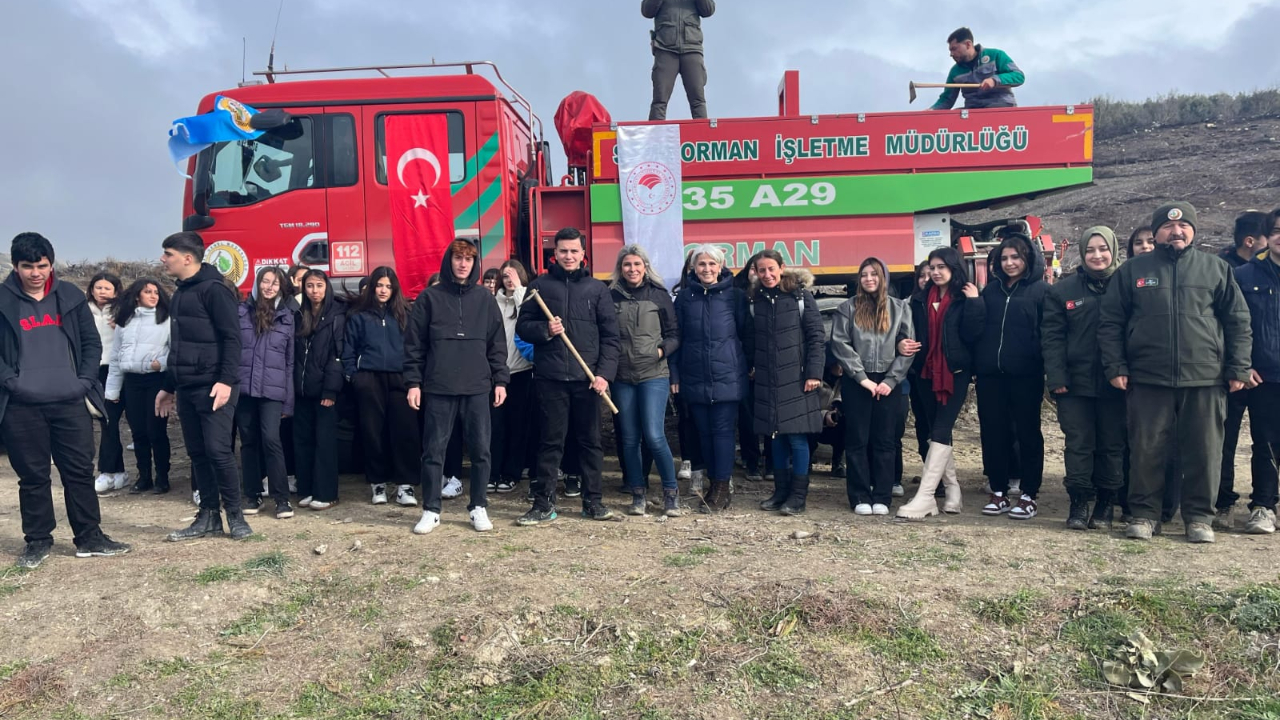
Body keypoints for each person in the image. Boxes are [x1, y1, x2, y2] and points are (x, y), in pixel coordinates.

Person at [1099, 202, 1253, 543]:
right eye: (1168, 227)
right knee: (1146, 448)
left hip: (1206, 378)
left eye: (1184, 225)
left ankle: (1199, 517)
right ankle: (1143, 514)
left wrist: (1238, 366)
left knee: (1204, 450)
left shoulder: (1215, 269)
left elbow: (1238, 321)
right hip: (1147, 376)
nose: (1176, 231)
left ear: (1193, 231)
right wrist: (1116, 365)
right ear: (1155, 233)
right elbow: (1110, 322)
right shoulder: (1132, 271)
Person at [1, 233, 129, 568]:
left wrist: (84, 382)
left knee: (79, 472)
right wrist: (11, 383)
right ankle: (38, 541)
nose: (35, 273)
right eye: (27, 266)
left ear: (51, 263)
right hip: (21, 405)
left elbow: (91, 344)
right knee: (33, 477)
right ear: (16, 266)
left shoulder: (69, 296)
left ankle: (89, 537)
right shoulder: (2, 300)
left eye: (41, 265)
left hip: (70, 403)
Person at [515, 227, 620, 525]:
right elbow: (523, 327)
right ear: (555, 254)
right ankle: (543, 503)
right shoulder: (540, 287)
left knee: (590, 442)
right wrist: (545, 331)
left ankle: (593, 501)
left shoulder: (597, 289)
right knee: (550, 442)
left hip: (588, 381)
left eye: (574, 251)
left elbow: (611, 337)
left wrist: (603, 375)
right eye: (563, 251)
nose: (569, 256)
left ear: (583, 254)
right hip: (551, 378)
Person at [406, 239, 509, 534]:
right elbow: (414, 345)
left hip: (477, 386)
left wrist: (500, 379)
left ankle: (478, 506)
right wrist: (413, 382)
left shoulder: (485, 300)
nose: (463, 263)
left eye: (468, 258)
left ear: (475, 263)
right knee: (433, 451)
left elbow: (496, 344)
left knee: (480, 450)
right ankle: (431, 509)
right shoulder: (429, 299)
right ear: (448, 261)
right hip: (439, 386)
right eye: (458, 257)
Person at [159, 232, 252, 541]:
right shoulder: (181, 292)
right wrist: (168, 386)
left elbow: (232, 338)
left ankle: (236, 517)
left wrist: (225, 381)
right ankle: (209, 516)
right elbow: (179, 346)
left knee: (218, 451)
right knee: (198, 453)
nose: (163, 259)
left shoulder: (215, 290)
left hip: (215, 386)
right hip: (186, 387)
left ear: (188, 258)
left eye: (168, 254)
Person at [1043, 227, 1126, 530]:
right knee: (1078, 443)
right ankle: (1079, 501)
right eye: (1090, 250)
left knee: (1111, 445)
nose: (1097, 255)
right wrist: (1057, 377)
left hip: (1116, 383)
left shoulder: (1127, 285)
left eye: (1103, 248)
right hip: (1074, 383)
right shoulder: (1063, 291)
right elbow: (1052, 338)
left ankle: (1105, 503)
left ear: (1113, 250)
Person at [897, 247, 984, 520]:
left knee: (941, 428)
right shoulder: (919, 300)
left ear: (953, 268)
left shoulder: (965, 297)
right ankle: (953, 491)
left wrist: (975, 303)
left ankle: (925, 496)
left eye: (940, 267)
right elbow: (906, 330)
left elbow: (973, 335)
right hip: (925, 372)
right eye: (931, 268)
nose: (935, 272)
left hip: (954, 373)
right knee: (935, 432)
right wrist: (902, 342)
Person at [830, 258, 914, 516]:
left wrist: (891, 380)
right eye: (864, 275)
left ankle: (882, 496)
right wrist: (862, 378)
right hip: (859, 382)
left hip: (888, 382)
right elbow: (840, 344)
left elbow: (908, 346)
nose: (868, 279)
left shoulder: (900, 308)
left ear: (883, 278)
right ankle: (859, 496)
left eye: (874, 274)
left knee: (885, 440)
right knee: (857, 439)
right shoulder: (847, 308)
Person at [973, 234, 1048, 520]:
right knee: (993, 433)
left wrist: (1040, 363)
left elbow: (1047, 333)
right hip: (991, 376)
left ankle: (1029, 494)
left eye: (1015, 257)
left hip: (1026, 375)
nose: (1009, 263)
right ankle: (999, 491)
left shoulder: (1040, 291)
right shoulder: (990, 292)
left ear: (1027, 258)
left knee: (1028, 433)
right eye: (1004, 258)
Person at [671, 244, 750, 513]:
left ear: (720, 266)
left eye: (711, 264)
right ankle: (712, 484)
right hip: (695, 376)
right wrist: (675, 373)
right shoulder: (684, 299)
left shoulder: (735, 297)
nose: (706, 269)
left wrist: (744, 367)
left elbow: (745, 335)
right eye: (701, 264)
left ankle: (721, 487)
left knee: (723, 433)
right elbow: (676, 338)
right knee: (704, 433)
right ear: (693, 268)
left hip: (727, 376)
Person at [609, 245, 682, 517]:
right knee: (629, 439)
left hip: (654, 374)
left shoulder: (659, 295)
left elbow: (674, 334)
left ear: (645, 267)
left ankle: (670, 492)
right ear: (621, 268)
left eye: (637, 264)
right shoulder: (611, 295)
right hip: (623, 377)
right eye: (627, 265)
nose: (632, 269)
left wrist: (661, 351)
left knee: (653, 435)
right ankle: (637, 493)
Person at [749, 251, 824, 515]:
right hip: (768, 380)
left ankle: (798, 496)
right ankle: (780, 491)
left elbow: (816, 337)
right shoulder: (755, 300)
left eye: (771, 269)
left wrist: (814, 373)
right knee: (775, 438)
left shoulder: (801, 296)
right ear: (755, 273)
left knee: (797, 438)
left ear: (781, 268)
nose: (767, 275)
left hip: (798, 378)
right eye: (761, 270)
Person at [342, 267, 421, 507]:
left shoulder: (407, 313)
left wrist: (414, 378)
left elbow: (415, 348)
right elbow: (348, 350)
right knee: (373, 432)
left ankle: (405, 486)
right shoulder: (358, 315)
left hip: (401, 379)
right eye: (379, 285)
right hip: (370, 379)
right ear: (372, 287)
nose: (383, 290)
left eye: (388, 286)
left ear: (394, 288)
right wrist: (355, 377)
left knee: (405, 433)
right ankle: (378, 484)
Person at [1216, 211, 1274, 530]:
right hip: (1233, 373)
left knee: (1266, 441)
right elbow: (1222, 325)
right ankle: (1222, 502)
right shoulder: (1232, 274)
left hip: (1269, 374)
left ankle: (1264, 504)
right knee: (1224, 439)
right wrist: (1239, 365)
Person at [236, 267, 296, 520]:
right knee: (248, 442)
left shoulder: (287, 317)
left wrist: (288, 402)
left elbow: (290, 362)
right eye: (266, 281)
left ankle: (281, 498)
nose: (269, 287)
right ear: (257, 283)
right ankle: (252, 494)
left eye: (275, 283)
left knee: (271, 441)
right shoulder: (241, 312)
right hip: (244, 389)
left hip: (273, 390)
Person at [105, 279, 171, 496]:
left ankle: (163, 477)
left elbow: (175, 350)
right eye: (148, 292)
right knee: (138, 432)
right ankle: (144, 477)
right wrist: (112, 391)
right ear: (136, 296)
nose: (153, 295)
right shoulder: (125, 322)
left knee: (156, 430)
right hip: (131, 382)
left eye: (156, 292)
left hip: (156, 380)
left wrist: (160, 363)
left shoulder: (167, 320)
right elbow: (115, 357)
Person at [292, 269, 345, 511]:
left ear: (327, 288)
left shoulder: (336, 315)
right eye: (310, 286)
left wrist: (330, 391)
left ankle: (327, 493)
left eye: (319, 286)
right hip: (302, 391)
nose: (315, 291)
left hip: (325, 392)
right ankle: (307, 488)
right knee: (303, 441)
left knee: (325, 443)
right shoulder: (298, 314)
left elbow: (338, 356)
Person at [492, 259, 535, 494]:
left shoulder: (527, 298)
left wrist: (520, 289)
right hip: (496, 374)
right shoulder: (493, 303)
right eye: (506, 276)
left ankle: (512, 473)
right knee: (495, 426)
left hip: (521, 372)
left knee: (518, 426)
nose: (509, 280)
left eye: (514, 275)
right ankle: (494, 472)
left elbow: (528, 315)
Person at [87, 272, 128, 494]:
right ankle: (109, 470)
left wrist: (121, 326)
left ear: (116, 291)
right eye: (98, 287)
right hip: (94, 370)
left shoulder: (123, 311)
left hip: (118, 369)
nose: (102, 292)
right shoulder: (83, 310)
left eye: (107, 288)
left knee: (118, 421)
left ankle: (119, 471)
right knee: (106, 422)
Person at [642, 0, 716, 121]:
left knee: (698, 99)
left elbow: (708, 10)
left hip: (692, 48)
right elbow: (647, 11)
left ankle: (703, 135)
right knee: (660, 99)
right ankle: (655, 136)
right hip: (665, 48)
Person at [929, 27, 1024, 111]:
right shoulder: (955, 72)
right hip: (973, 110)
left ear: (968, 44)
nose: (951, 54)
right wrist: (932, 110)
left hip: (1001, 107)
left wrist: (994, 80)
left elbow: (1018, 76)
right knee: (955, 116)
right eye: (950, 50)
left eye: (954, 49)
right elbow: (947, 99)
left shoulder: (995, 55)